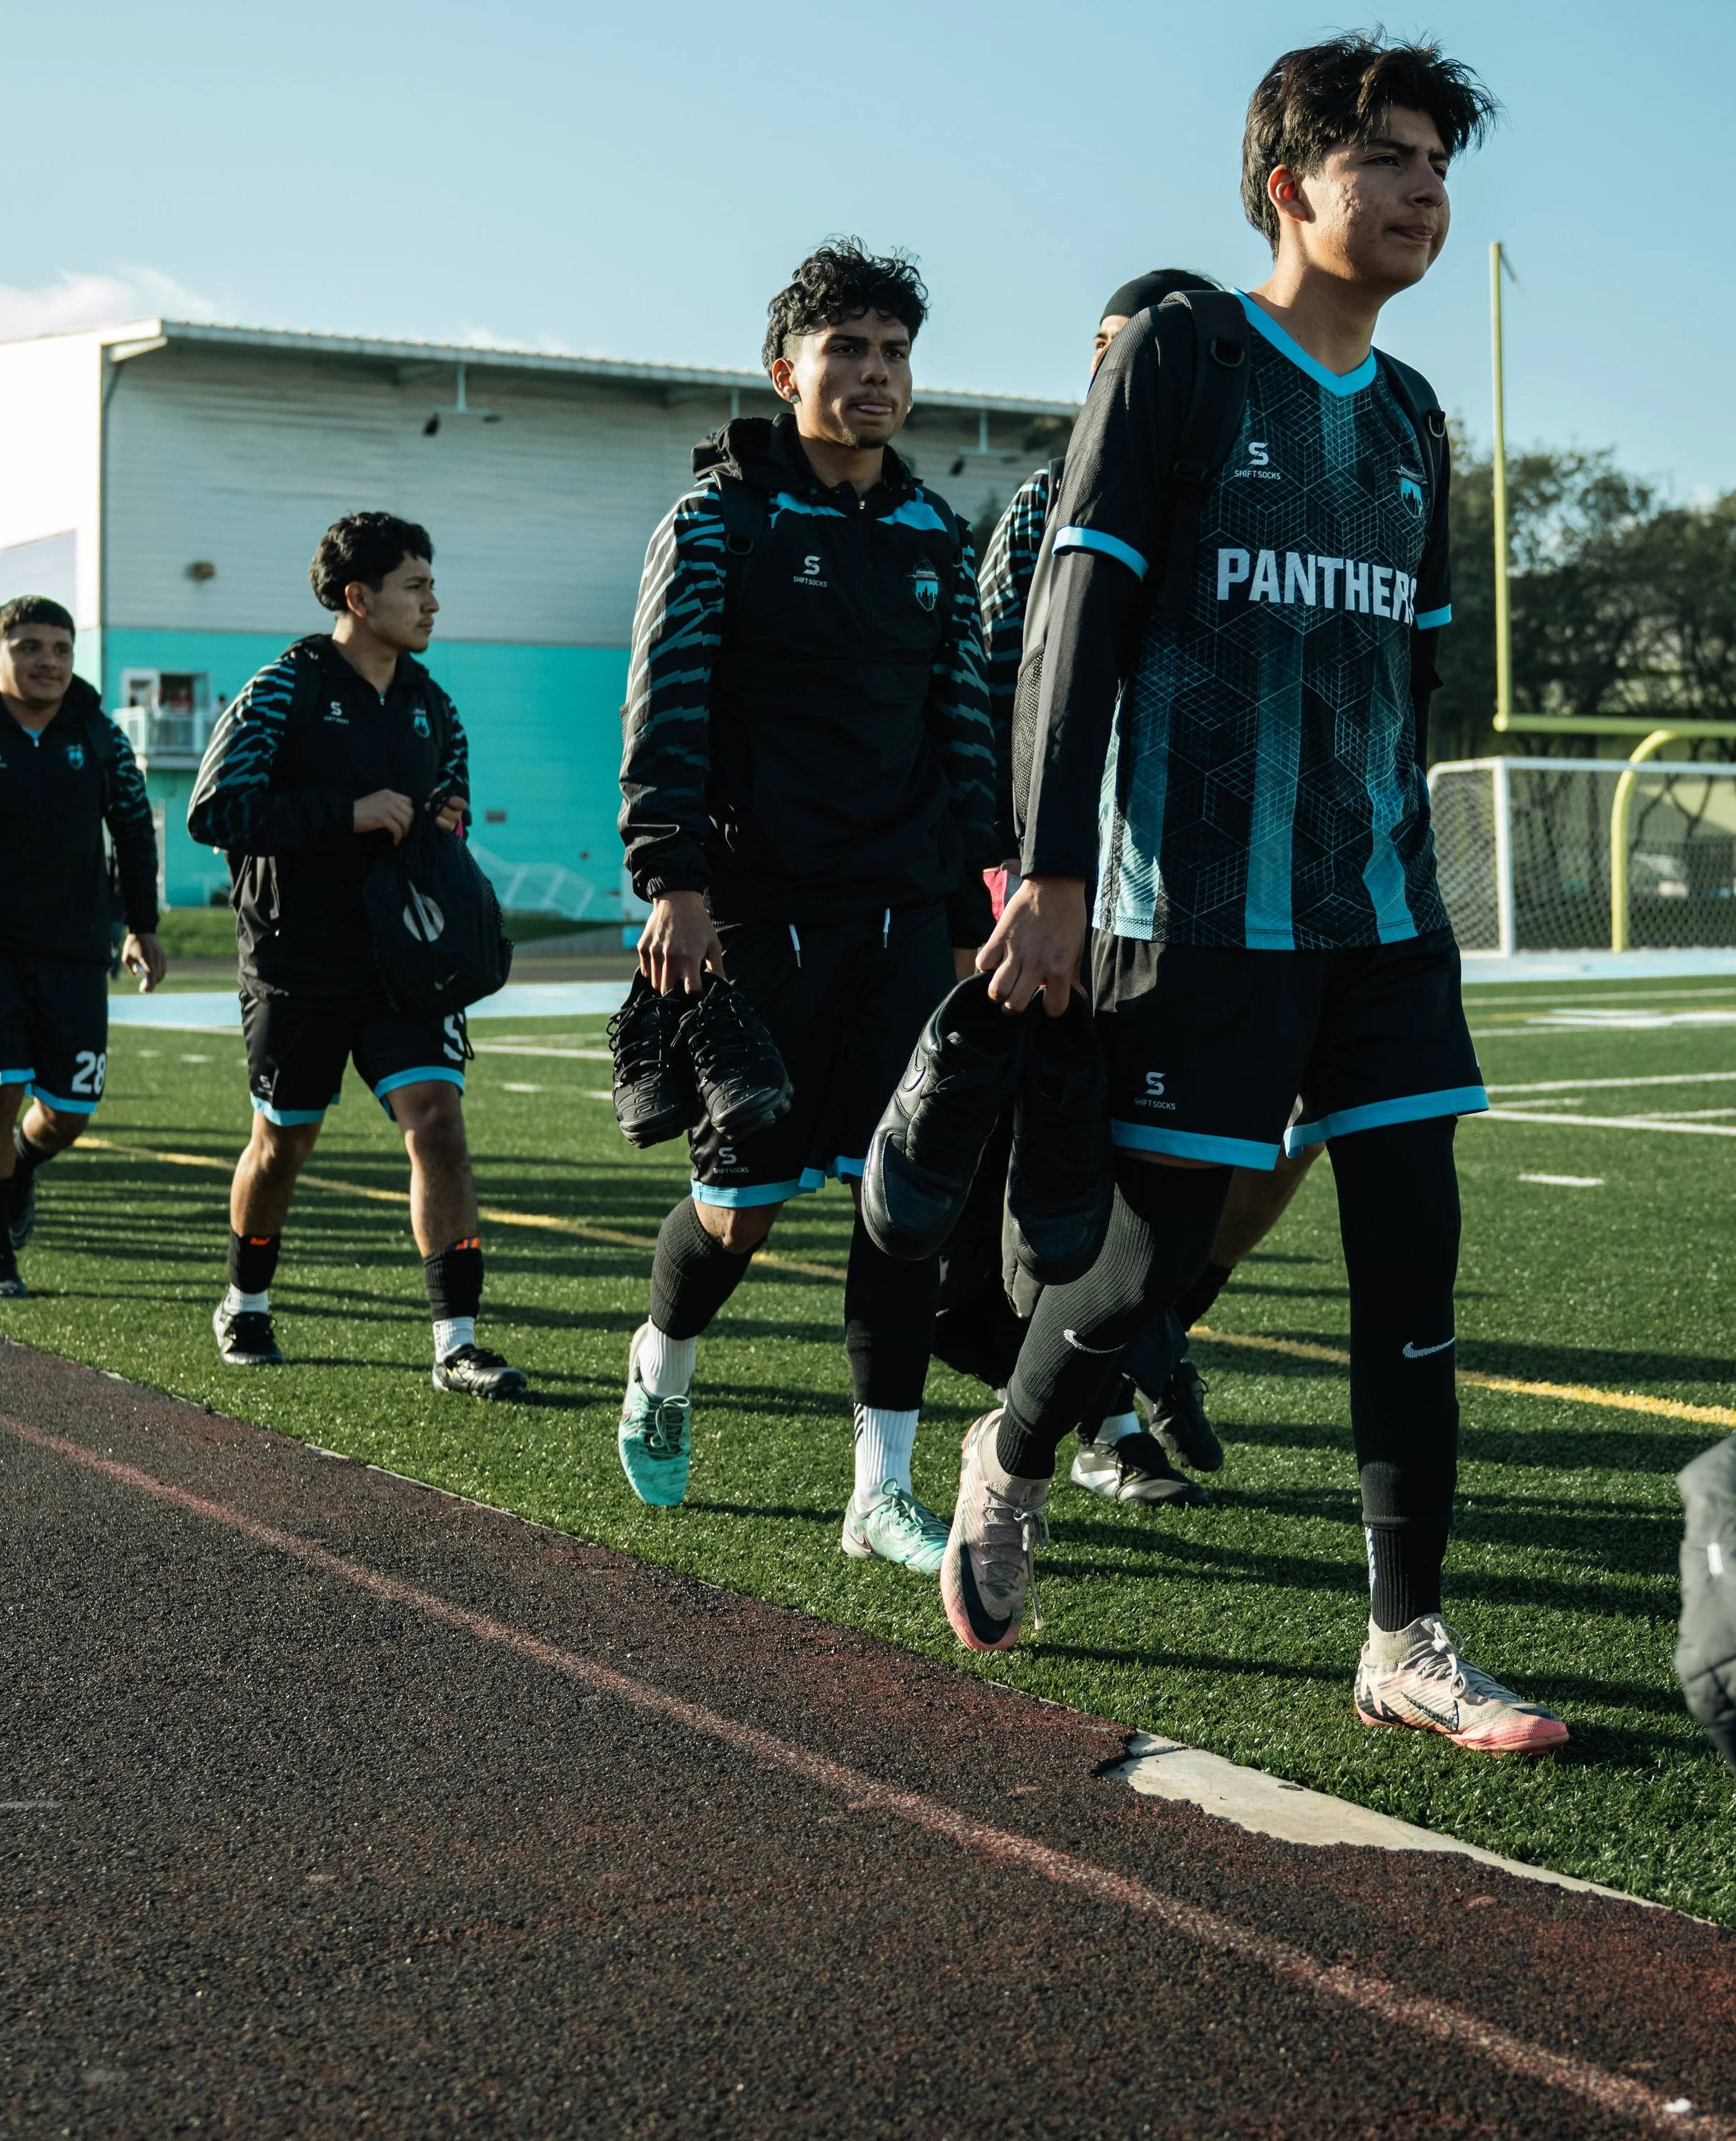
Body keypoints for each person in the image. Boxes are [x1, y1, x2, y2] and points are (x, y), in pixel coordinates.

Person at [948, 31, 1569, 1754]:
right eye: (1387, 158)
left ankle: (1406, 1636)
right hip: (1193, 906)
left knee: (1412, 1259)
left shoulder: (1420, 415)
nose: (1424, 190)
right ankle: (1014, 1444)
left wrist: (1403, 862)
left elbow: (1416, 669)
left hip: (1377, 915)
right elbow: (1072, 624)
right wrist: (1056, 873)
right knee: (1145, 1265)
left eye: (1440, 162)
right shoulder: (1180, 354)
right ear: (1289, 183)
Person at [614, 238, 996, 1569]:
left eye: (895, 353)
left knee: (902, 1203)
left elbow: (963, 739)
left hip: (901, 917)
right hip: (756, 914)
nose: (877, 375)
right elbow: (667, 711)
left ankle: (877, 1490)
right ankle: (662, 1357)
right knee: (745, 1210)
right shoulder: (715, 523)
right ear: (787, 372)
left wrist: (973, 906)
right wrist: (673, 881)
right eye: (849, 350)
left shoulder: (936, 535)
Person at [978, 269, 1324, 1503]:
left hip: (1240, 891)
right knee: (1100, 1165)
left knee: (1281, 1148)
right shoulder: (1043, 506)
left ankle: (1151, 1340)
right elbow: (1009, 694)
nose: (1125, 377)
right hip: (1080, 886)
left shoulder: (1264, 493)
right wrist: (1024, 871)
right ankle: (1095, 1418)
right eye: (1111, 352)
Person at [187, 512, 522, 1398]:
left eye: (431, 585)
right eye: (416, 587)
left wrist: (442, 819)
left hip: (404, 968)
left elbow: (451, 805)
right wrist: (347, 810)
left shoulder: (433, 704)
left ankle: (456, 1342)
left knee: (438, 1127)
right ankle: (245, 1302)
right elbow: (215, 811)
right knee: (283, 1144)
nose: (432, 604)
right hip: (295, 963)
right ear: (357, 597)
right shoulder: (281, 689)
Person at [0, 595, 164, 1296]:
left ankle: (20, 1166)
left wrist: (141, 926)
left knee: (69, 1112)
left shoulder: (100, 737)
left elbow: (134, 834)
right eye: (30, 647)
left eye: (60, 649)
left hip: (75, 948)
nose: (48, 661)